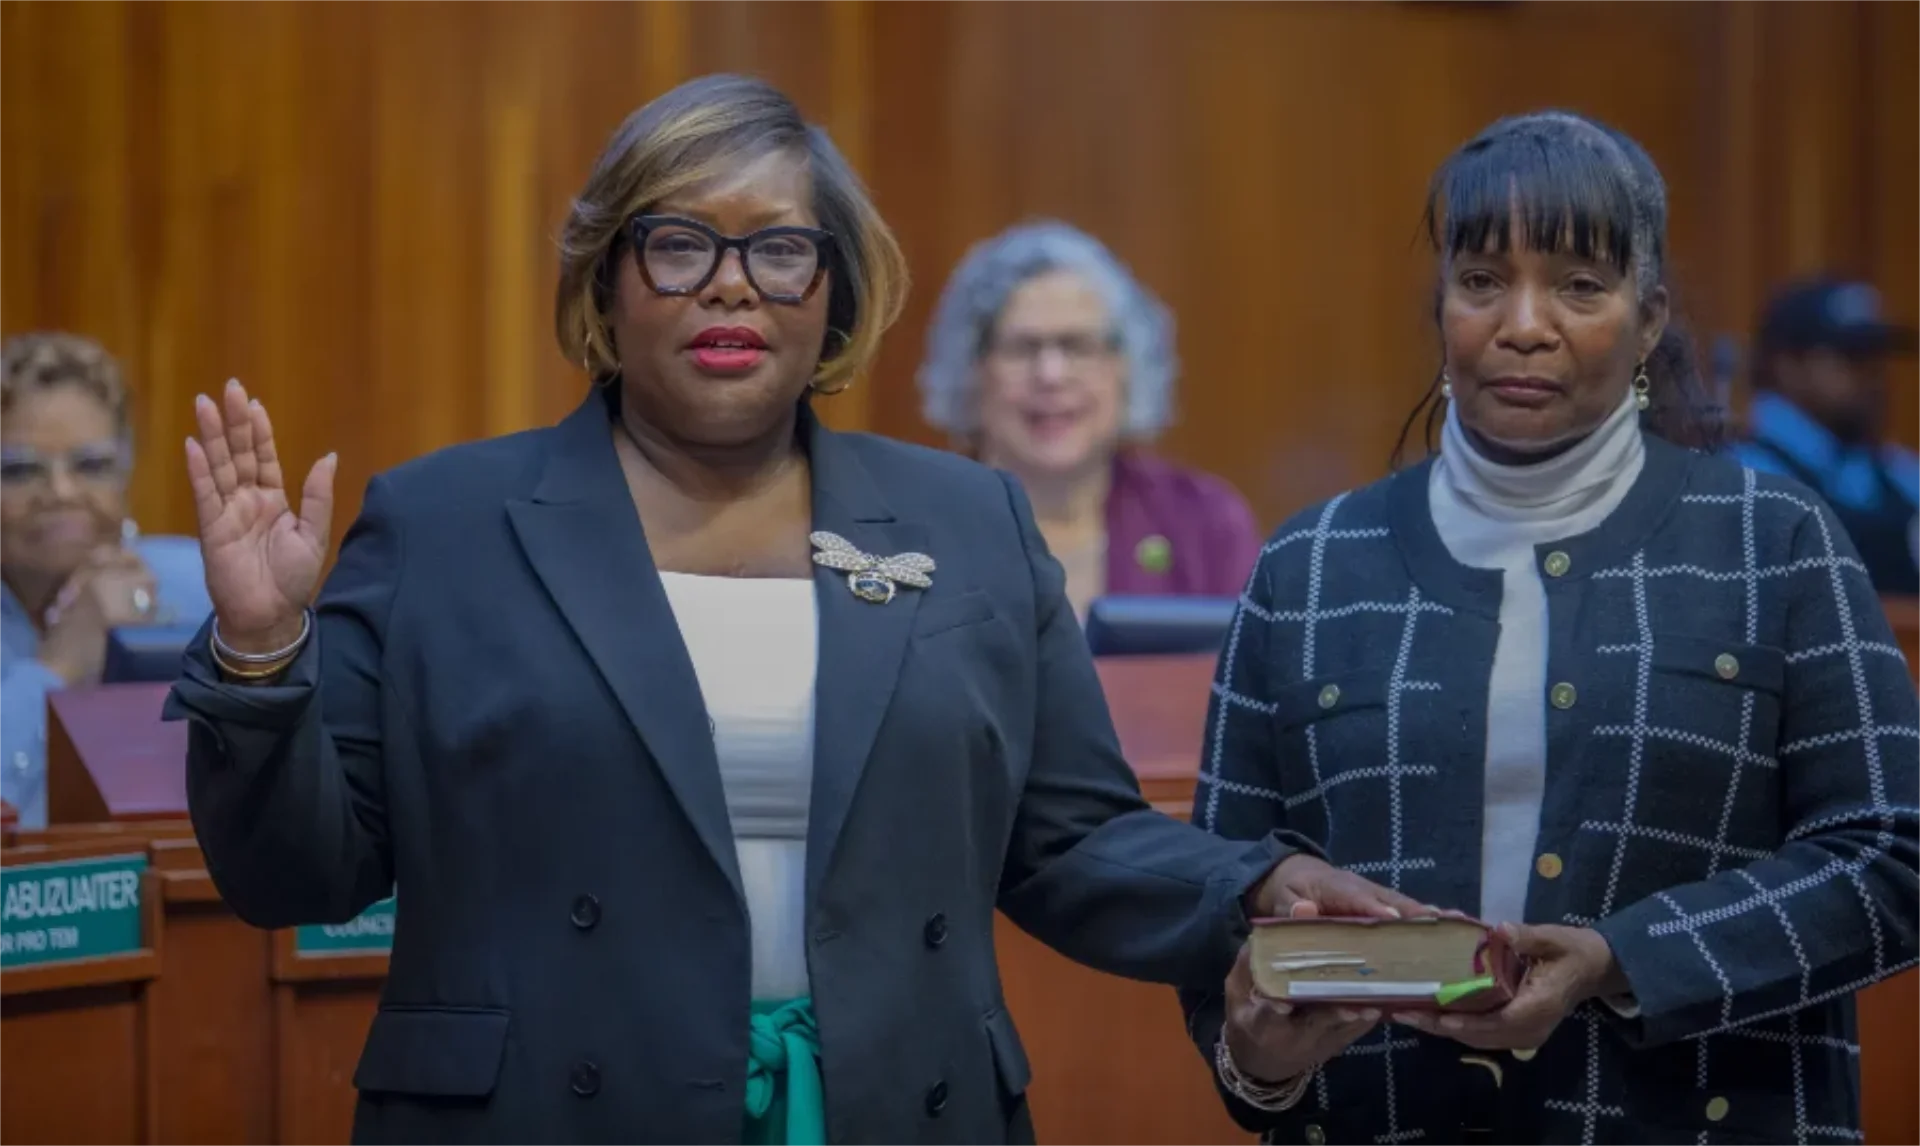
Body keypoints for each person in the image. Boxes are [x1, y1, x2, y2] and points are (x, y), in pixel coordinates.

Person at [159, 75, 1386, 1146]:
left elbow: (1070, 843)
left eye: (781, 250)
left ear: (835, 291)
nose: (731, 287)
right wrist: (264, 651)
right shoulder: (447, 526)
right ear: (609, 279)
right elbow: (295, 876)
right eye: (680, 244)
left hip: (893, 1109)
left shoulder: (967, 526)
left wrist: (1257, 888)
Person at [1186, 111, 1920, 1143]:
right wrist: (1256, 1062)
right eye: (1483, 281)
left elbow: (1893, 857)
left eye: (1581, 286)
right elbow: (1218, 890)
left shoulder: (1775, 542)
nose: (1524, 323)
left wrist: (1622, 960)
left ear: (1651, 317)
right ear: (1442, 303)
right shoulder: (1308, 567)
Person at [917, 221, 1262, 618]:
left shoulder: (1202, 523)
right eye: (1022, 348)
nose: (1051, 375)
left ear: (1127, 366)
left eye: (1078, 346)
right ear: (972, 368)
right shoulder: (920, 528)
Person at [0, 333, 208, 828]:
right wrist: (59, 668)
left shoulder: (203, 587)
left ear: (126, 472)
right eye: (21, 470)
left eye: (91, 464)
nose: (61, 492)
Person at [1731, 277, 1920, 592]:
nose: (1874, 377)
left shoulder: (1895, 471)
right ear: (1787, 364)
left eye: (1878, 359)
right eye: (1853, 358)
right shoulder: (1735, 465)